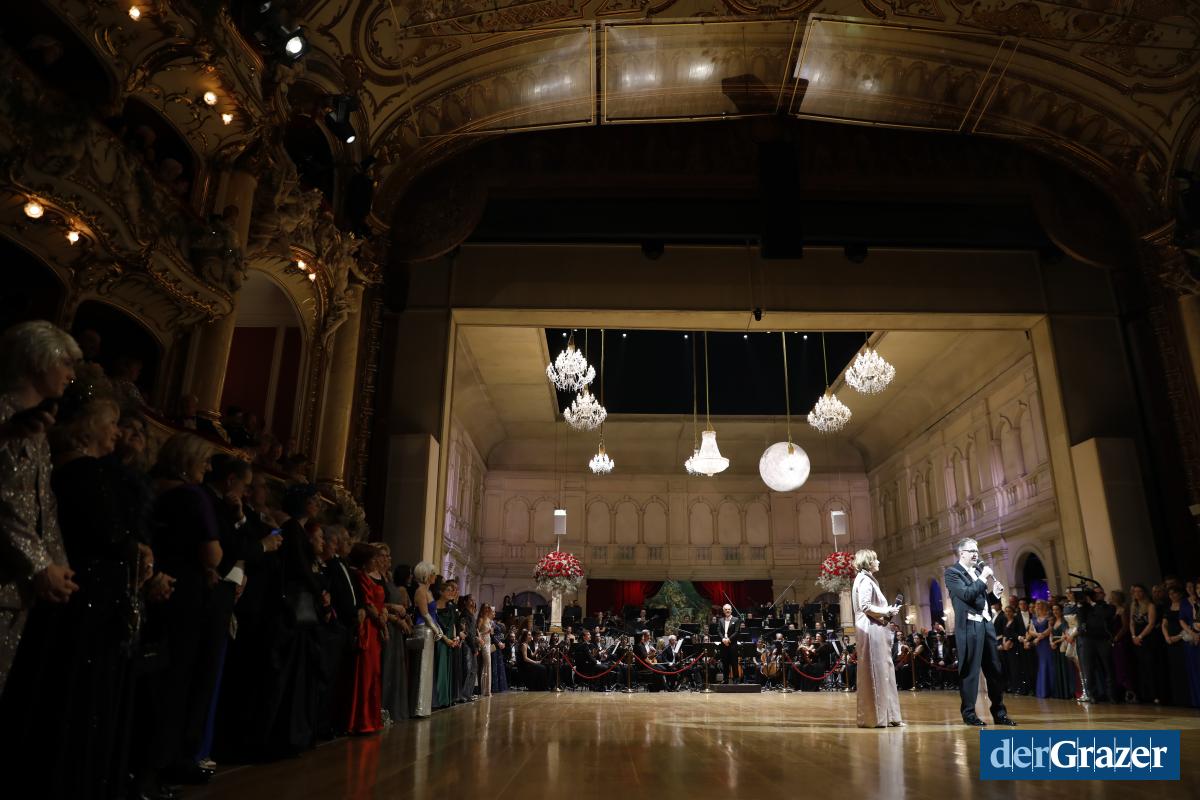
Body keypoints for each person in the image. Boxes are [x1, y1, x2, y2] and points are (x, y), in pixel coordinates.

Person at [0, 321, 80, 695]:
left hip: (19, 586)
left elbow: (43, 505)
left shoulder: (41, 430)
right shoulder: (4, 415)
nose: (71, 375)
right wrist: (40, 564)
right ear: (38, 359)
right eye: (65, 362)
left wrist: (58, 566)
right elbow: (4, 502)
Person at [944, 537, 1015, 726]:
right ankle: (969, 714)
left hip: (986, 625)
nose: (976, 554)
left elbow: (980, 602)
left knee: (994, 671)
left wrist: (994, 596)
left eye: (977, 550)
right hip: (969, 627)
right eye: (971, 551)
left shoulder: (976, 571)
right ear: (962, 553)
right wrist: (983, 578)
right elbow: (967, 595)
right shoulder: (952, 573)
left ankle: (999, 713)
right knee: (970, 672)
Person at [852, 549, 903, 727]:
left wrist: (887, 612)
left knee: (884, 672)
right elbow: (865, 606)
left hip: (874, 628)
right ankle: (878, 717)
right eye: (875, 559)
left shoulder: (866, 579)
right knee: (877, 672)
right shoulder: (865, 580)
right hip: (871, 630)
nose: (879, 562)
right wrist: (887, 610)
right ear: (868, 562)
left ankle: (889, 716)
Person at [410, 561, 446, 717]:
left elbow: (432, 616)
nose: (435, 576)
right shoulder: (420, 591)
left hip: (430, 631)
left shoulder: (429, 591)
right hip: (423, 631)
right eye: (433, 574)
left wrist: (438, 630)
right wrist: (437, 630)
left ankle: (424, 707)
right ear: (425, 575)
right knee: (422, 668)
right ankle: (418, 707)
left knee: (428, 668)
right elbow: (424, 614)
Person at [716, 603, 741, 684]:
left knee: (734, 662)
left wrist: (728, 640)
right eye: (726, 609)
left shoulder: (736, 620)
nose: (727, 611)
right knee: (725, 662)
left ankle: (736, 679)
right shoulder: (720, 620)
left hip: (732, 644)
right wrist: (723, 639)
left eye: (729, 609)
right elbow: (719, 631)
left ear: (731, 610)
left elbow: (737, 632)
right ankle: (725, 679)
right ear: (723, 611)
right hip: (723, 644)